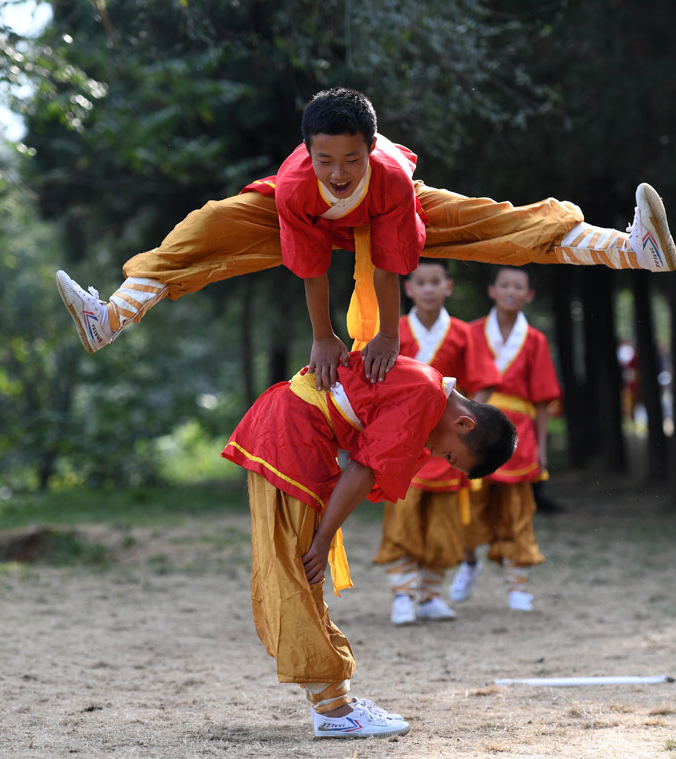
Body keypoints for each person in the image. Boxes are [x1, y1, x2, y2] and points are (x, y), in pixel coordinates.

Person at [56, 87, 676, 388]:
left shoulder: (386, 180)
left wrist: (385, 333)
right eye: (325, 159)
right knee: (207, 227)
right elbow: (310, 268)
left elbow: (387, 260)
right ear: (307, 151)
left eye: (349, 159)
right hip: (298, 221)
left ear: (368, 150)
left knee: (499, 224)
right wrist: (323, 338)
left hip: (387, 220)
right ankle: (112, 316)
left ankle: (631, 250)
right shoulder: (299, 185)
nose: (337, 171)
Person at [221, 353, 516, 738]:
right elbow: (365, 467)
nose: (437, 455)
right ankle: (333, 710)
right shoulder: (425, 396)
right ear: (463, 423)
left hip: (293, 431)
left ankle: (335, 700)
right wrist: (324, 538)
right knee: (295, 573)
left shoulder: (427, 383)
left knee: (296, 572)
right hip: (290, 436)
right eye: (449, 455)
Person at [371, 259, 500, 625]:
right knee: (402, 520)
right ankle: (403, 594)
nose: (428, 288)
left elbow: (482, 383)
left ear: (448, 287)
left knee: (444, 525)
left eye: (435, 281)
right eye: (421, 282)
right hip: (402, 442)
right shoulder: (390, 331)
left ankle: (430, 594)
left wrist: (475, 430)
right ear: (408, 288)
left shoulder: (463, 333)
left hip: (448, 445)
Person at [449, 265, 560, 612]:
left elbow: (542, 399)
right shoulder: (470, 333)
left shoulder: (536, 341)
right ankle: (468, 563)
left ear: (529, 295)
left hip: (520, 435)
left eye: (519, 286)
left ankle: (517, 585)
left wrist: (542, 447)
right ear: (492, 290)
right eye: (505, 285)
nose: (511, 291)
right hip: (474, 427)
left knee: (517, 511)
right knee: (469, 506)